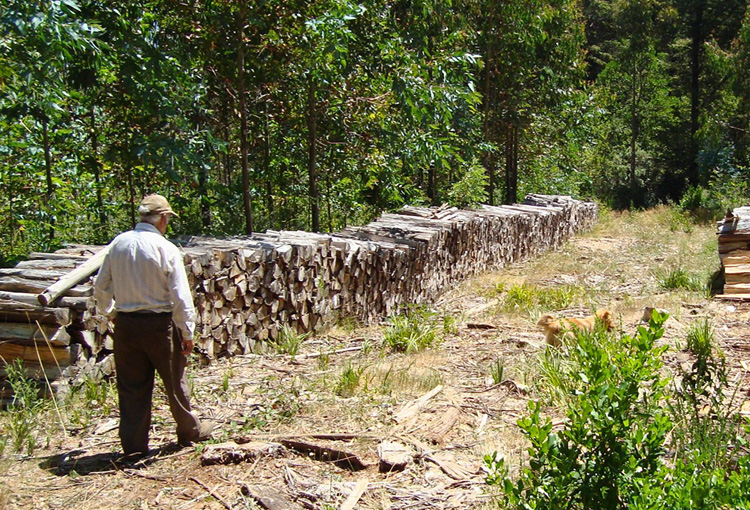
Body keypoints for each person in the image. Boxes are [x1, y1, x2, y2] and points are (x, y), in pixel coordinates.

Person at [94, 194, 212, 459]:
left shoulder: (118, 244)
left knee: (132, 386)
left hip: (126, 325)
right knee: (174, 380)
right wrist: (187, 331)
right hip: (159, 325)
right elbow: (181, 296)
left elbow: (100, 287)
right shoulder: (165, 248)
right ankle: (189, 431)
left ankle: (134, 446)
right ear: (162, 218)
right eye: (167, 219)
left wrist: (111, 313)